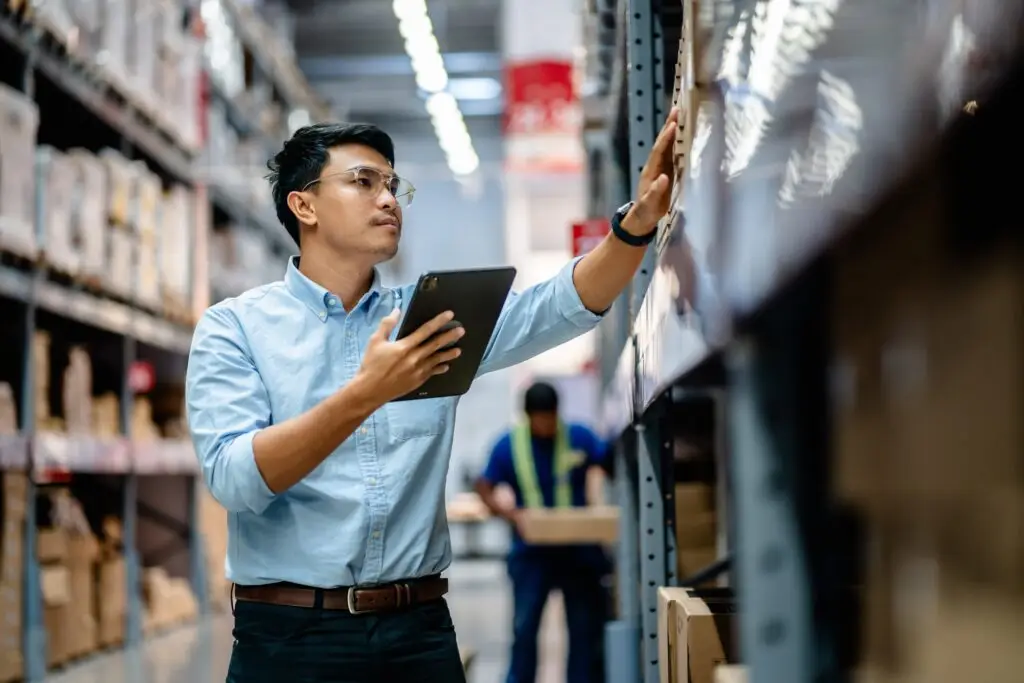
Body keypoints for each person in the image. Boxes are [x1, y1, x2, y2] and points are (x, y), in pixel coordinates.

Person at [185, 108, 678, 682]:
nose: (389, 199)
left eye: (393, 185)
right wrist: (367, 393)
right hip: (290, 640)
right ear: (304, 205)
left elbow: (559, 307)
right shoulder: (235, 329)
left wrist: (637, 225)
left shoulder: (428, 319)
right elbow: (236, 480)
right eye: (363, 181)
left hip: (418, 636)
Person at [474, 382, 612, 683]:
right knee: (524, 630)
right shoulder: (509, 445)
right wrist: (511, 516)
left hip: (578, 552)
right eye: (540, 419)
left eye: (550, 418)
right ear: (528, 417)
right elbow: (484, 486)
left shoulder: (578, 436)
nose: (546, 425)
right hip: (531, 554)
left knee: (584, 629)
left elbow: (609, 459)